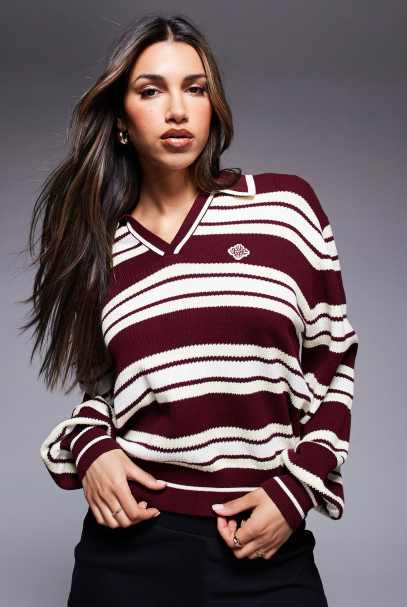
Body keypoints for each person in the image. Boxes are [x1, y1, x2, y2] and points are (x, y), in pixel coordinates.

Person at [24, 13, 359, 607]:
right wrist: (92, 449)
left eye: (195, 88)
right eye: (151, 91)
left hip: (265, 550)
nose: (177, 110)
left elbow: (334, 363)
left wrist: (295, 490)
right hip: (129, 552)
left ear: (213, 106)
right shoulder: (100, 246)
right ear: (120, 119)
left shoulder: (285, 208)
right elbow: (105, 391)